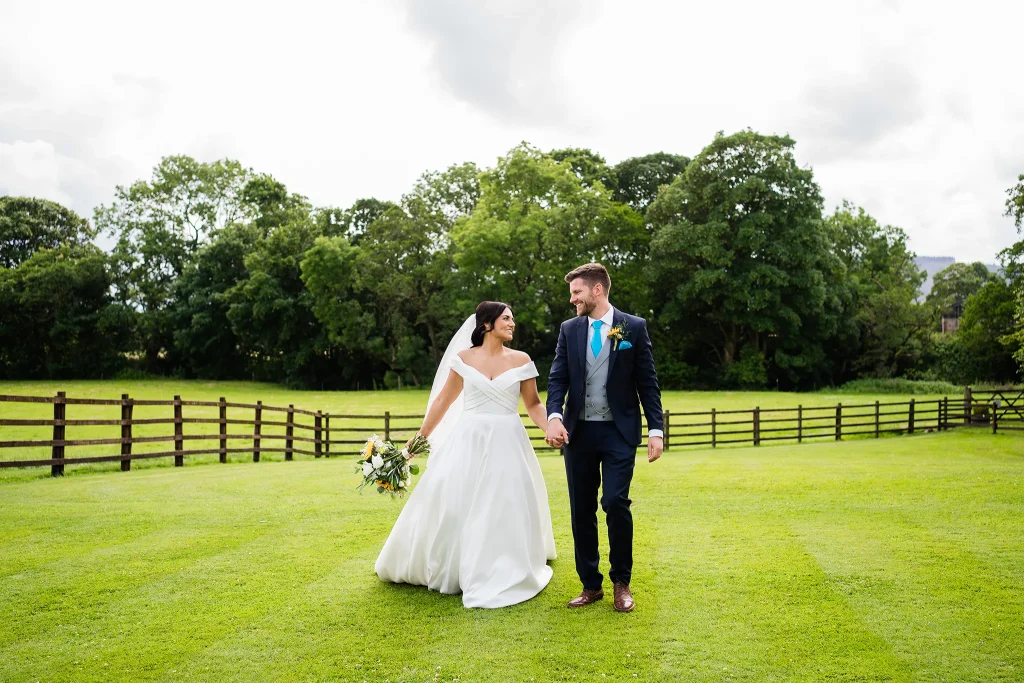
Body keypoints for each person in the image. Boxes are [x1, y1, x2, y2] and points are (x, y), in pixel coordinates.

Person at [374, 301, 556, 608]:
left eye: (513, 318)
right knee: (457, 503)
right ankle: (455, 564)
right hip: (469, 438)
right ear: (487, 324)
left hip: (508, 439)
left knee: (505, 503)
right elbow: (443, 402)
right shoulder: (463, 359)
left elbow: (534, 405)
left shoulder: (522, 360)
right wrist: (415, 444)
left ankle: (503, 564)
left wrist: (550, 426)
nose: (512, 323)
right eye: (506, 318)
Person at [545, 263, 664, 612]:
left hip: (618, 431)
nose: (572, 299)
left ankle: (621, 583)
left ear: (597, 290)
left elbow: (648, 382)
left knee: (614, 502)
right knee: (581, 509)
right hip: (578, 432)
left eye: (577, 292)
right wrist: (554, 417)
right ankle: (590, 585)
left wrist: (655, 428)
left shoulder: (632, 327)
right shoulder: (569, 330)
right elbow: (558, 379)